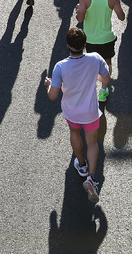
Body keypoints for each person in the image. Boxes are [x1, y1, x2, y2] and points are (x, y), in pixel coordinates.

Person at [45, 26, 111, 203]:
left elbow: (52, 96)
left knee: (75, 134)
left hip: (72, 112)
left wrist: (48, 84)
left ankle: (81, 165)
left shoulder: (60, 67)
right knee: (92, 142)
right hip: (90, 112)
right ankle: (91, 177)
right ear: (85, 44)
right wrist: (97, 78)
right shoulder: (95, 59)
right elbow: (106, 78)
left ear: (67, 46)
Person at [75, 0, 126, 102]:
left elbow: (80, 19)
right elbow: (121, 17)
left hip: (90, 39)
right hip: (107, 38)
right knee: (107, 63)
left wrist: (79, 10)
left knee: (91, 65)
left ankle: (90, 90)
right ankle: (103, 90)